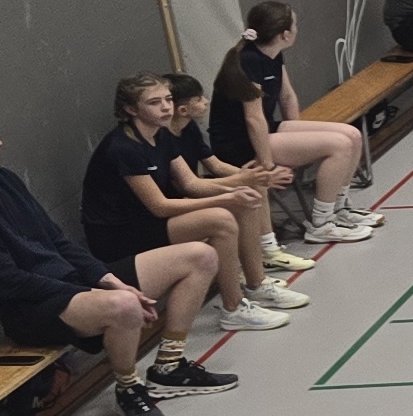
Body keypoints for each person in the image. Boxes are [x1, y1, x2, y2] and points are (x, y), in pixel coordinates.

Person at [0, 100, 233, 416]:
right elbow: (7, 282)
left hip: (71, 284)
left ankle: (169, 368)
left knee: (200, 256)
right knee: (124, 306)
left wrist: (108, 279)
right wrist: (92, 293)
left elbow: (58, 240)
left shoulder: (3, 180)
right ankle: (129, 390)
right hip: (31, 309)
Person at [83, 74, 281, 331]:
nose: (166, 107)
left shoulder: (162, 135)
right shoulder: (124, 147)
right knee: (221, 219)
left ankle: (257, 284)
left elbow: (191, 184)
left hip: (148, 222)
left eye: (168, 99)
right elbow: (160, 206)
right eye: (154, 102)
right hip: (119, 237)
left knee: (242, 202)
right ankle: (233, 309)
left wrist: (243, 182)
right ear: (131, 109)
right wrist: (226, 197)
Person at [214, 0, 381, 253]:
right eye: (295, 25)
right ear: (284, 34)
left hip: (267, 129)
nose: (297, 29)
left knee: (352, 134)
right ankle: (321, 223)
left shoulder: (273, 54)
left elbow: (287, 97)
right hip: (240, 142)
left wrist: (302, 139)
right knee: (339, 145)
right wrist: (268, 165)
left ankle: (339, 207)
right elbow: (253, 119)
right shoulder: (249, 61)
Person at [155, 71, 314, 319]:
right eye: (199, 99)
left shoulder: (189, 129)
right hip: (179, 202)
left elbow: (215, 166)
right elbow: (189, 186)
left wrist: (256, 176)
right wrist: (245, 180)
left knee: (251, 188)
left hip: (190, 193)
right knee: (241, 197)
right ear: (183, 109)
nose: (206, 101)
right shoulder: (163, 137)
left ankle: (263, 264)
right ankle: (243, 290)